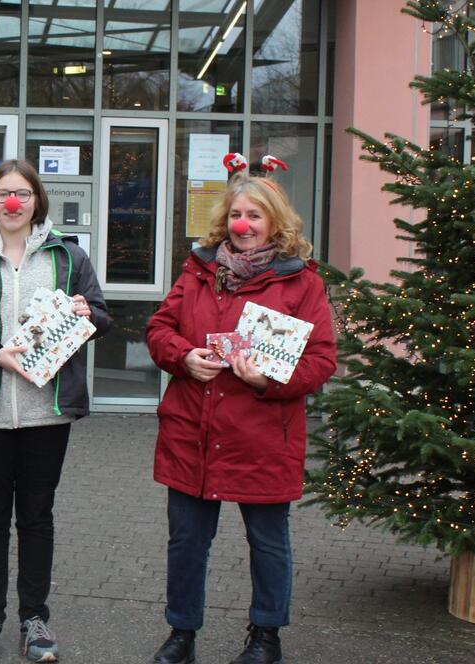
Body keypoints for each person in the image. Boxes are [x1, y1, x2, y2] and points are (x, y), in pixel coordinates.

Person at [144, 169, 336, 664]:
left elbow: (320, 361)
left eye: (254, 215)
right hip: (194, 432)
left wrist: (265, 381)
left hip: (263, 436)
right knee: (187, 542)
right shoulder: (199, 269)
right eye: (235, 215)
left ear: (275, 223)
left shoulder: (301, 281)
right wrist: (183, 356)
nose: (243, 224)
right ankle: (181, 634)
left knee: (268, 543)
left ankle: (265, 636)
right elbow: (160, 328)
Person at [0, 159, 111, 663]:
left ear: (37, 200)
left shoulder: (68, 254)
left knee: (36, 517)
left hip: (46, 411)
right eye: (4, 194)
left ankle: (35, 618)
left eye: (23, 194)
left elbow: (99, 312)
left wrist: (85, 314)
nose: (13, 203)